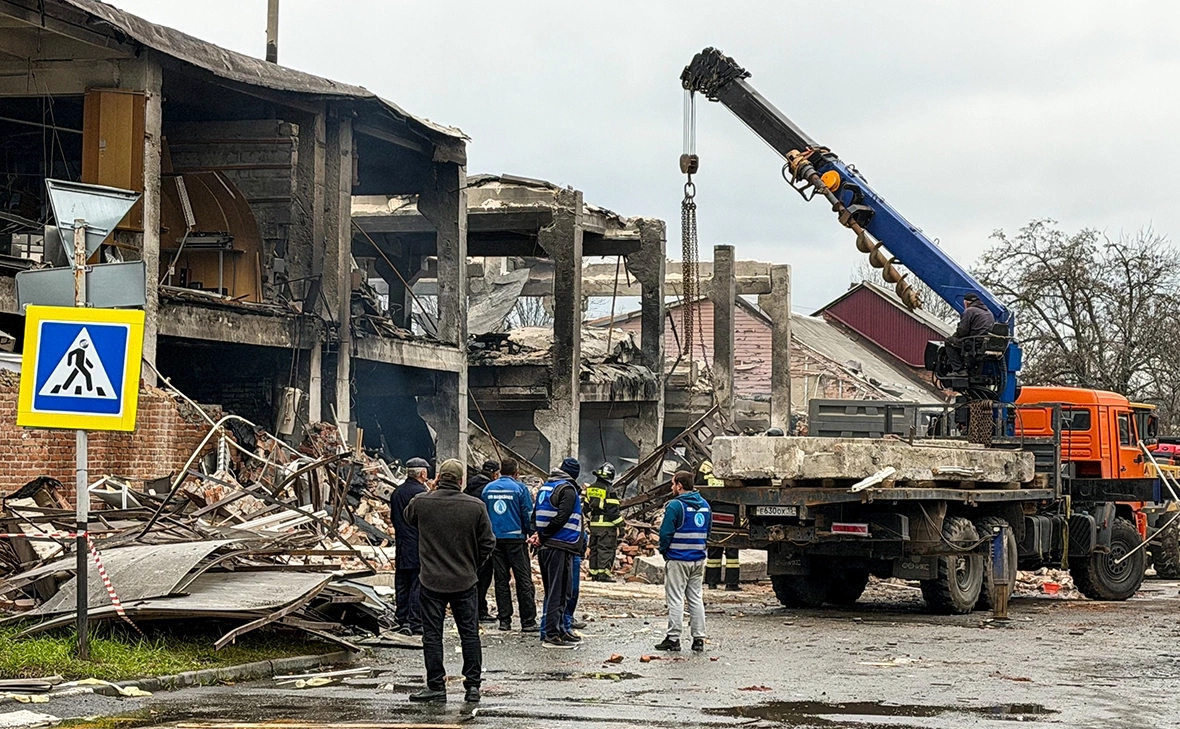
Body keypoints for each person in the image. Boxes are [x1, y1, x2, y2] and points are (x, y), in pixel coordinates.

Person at [403, 458, 496, 704]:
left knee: (432, 635)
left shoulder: (423, 502)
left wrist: (431, 490)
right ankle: (472, 686)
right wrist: (472, 564)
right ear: (462, 480)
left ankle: (436, 685)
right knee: (469, 634)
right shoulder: (475, 506)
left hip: (431, 580)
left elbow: (408, 516)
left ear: (437, 478)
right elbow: (488, 542)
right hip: (464, 581)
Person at [529, 457, 584, 648]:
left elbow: (534, 516)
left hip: (547, 547)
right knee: (559, 592)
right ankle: (552, 635)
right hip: (561, 546)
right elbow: (562, 516)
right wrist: (543, 535)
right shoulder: (567, 490)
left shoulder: (547, 487)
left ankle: (559, 630)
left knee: (555, 590)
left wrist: (538, 535)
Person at [655, 470, 712, 653]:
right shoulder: (704, 505)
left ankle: (673, 638)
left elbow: (665, 533)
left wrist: (665, 552)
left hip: (678, 559)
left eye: (673, 484)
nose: (672, 487)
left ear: (680, 485)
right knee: (696, 598)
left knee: (676, 599)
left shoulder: (675, 506)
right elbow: (708, 531)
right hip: (697, 559)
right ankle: (699, 639)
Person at [481, 458, 538, 632]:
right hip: (516, 539)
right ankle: (527, 621)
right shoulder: (520, 489)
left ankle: (504, 620)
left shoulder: (488, 489)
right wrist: (532, 534)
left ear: (499, 472)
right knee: (523, 580)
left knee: (500, 580)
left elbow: (483, 514)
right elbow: (527, 514)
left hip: (495, 540)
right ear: (516, 472)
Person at [388, 457, 429, 635]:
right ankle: (415, 621)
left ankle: (402, 617)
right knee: (417, 583)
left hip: (402, 543)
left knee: (402, 582)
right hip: (418, 543)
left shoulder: (397, 492)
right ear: (422, 473)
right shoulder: (421, 494)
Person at [465, 459, 500, 622]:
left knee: (470, 574)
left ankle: (471, 609)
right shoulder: (489, 490)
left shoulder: (469, 488)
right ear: (494, 474)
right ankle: (480, 610)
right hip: (482, 538)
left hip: (467, 537)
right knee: (484, 576)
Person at [585, 462, 623, 583]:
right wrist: (621, 526)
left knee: (595, 549)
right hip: (606, 527)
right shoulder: (610, 490)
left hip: (594, 526)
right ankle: (604, 575)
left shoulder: (590, 488)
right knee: (605, 549)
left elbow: (585, 509)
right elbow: (613, 512)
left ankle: (594, 573)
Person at [945, 292, 995, 374]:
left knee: (949, 341)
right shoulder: (988, 312)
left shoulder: (969, 311)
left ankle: (959, 370)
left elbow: (962, 331)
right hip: (985, 343)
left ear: (966, 302)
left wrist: (955, 336)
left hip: (974, 342)